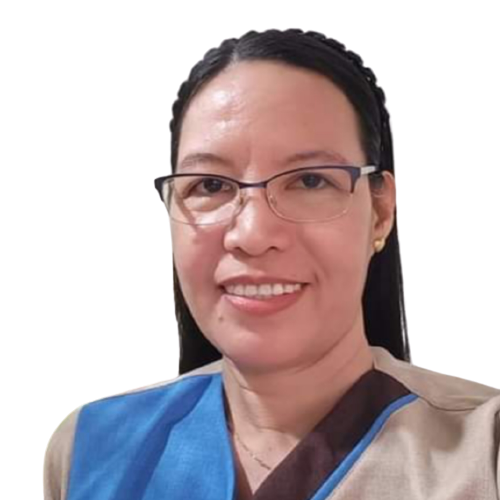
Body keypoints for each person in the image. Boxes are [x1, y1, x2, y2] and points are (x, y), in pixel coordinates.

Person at [43, 29, 499, 500]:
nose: (252, 235)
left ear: (380, 211)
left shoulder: (485, 454)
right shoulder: (90, 450)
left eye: (310, 180)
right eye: (211, 185)